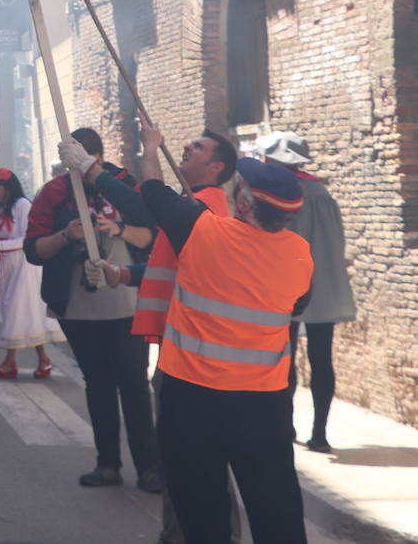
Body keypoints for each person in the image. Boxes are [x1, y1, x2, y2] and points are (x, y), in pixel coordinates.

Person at [69, 136, 314, 544]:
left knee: (203, 516)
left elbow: (150, 192)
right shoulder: (301, 256)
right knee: (277, 515)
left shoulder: (203, 233)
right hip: (263, 406)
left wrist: (148, 149)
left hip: (193, 400)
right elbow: (297, 306)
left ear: (245, 205)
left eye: (241, 190)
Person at [104, 127, 240, 544]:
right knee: (183, 458)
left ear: (215, 167)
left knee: (190, 459)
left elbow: (148, 192)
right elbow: (172, 267)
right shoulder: (194, 207)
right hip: (178, 347)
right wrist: (126, 274)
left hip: (192, 355)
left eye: (198, 147)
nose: (186, 147)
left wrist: (146, 149)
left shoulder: (206, 207)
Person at [24, 128, 160, 491]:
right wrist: (67, 236)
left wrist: (119, 231)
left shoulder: (122, 184)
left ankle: (149, 466)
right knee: (98, 383)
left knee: (133, 382)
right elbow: (34, 251)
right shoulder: (53, 193)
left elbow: (153, 236)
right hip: (78, 304)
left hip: (127, 300)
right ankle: (108, 464)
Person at [262, 131, 356, 453]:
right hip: (325, 281)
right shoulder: (322, 192)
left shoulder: (279, 196)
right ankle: (319, 434)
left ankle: (285, 426)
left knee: (283, 358)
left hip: (288, 284)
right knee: (321, 358)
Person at [0, 169, 62, 376]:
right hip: (7, 269)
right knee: (24, 314)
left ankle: (9, 361)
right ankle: (43, 359)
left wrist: (1, 248)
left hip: (25, 267)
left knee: (16, 311)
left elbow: (27, 238)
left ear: (9, 188)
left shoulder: (23, 206)